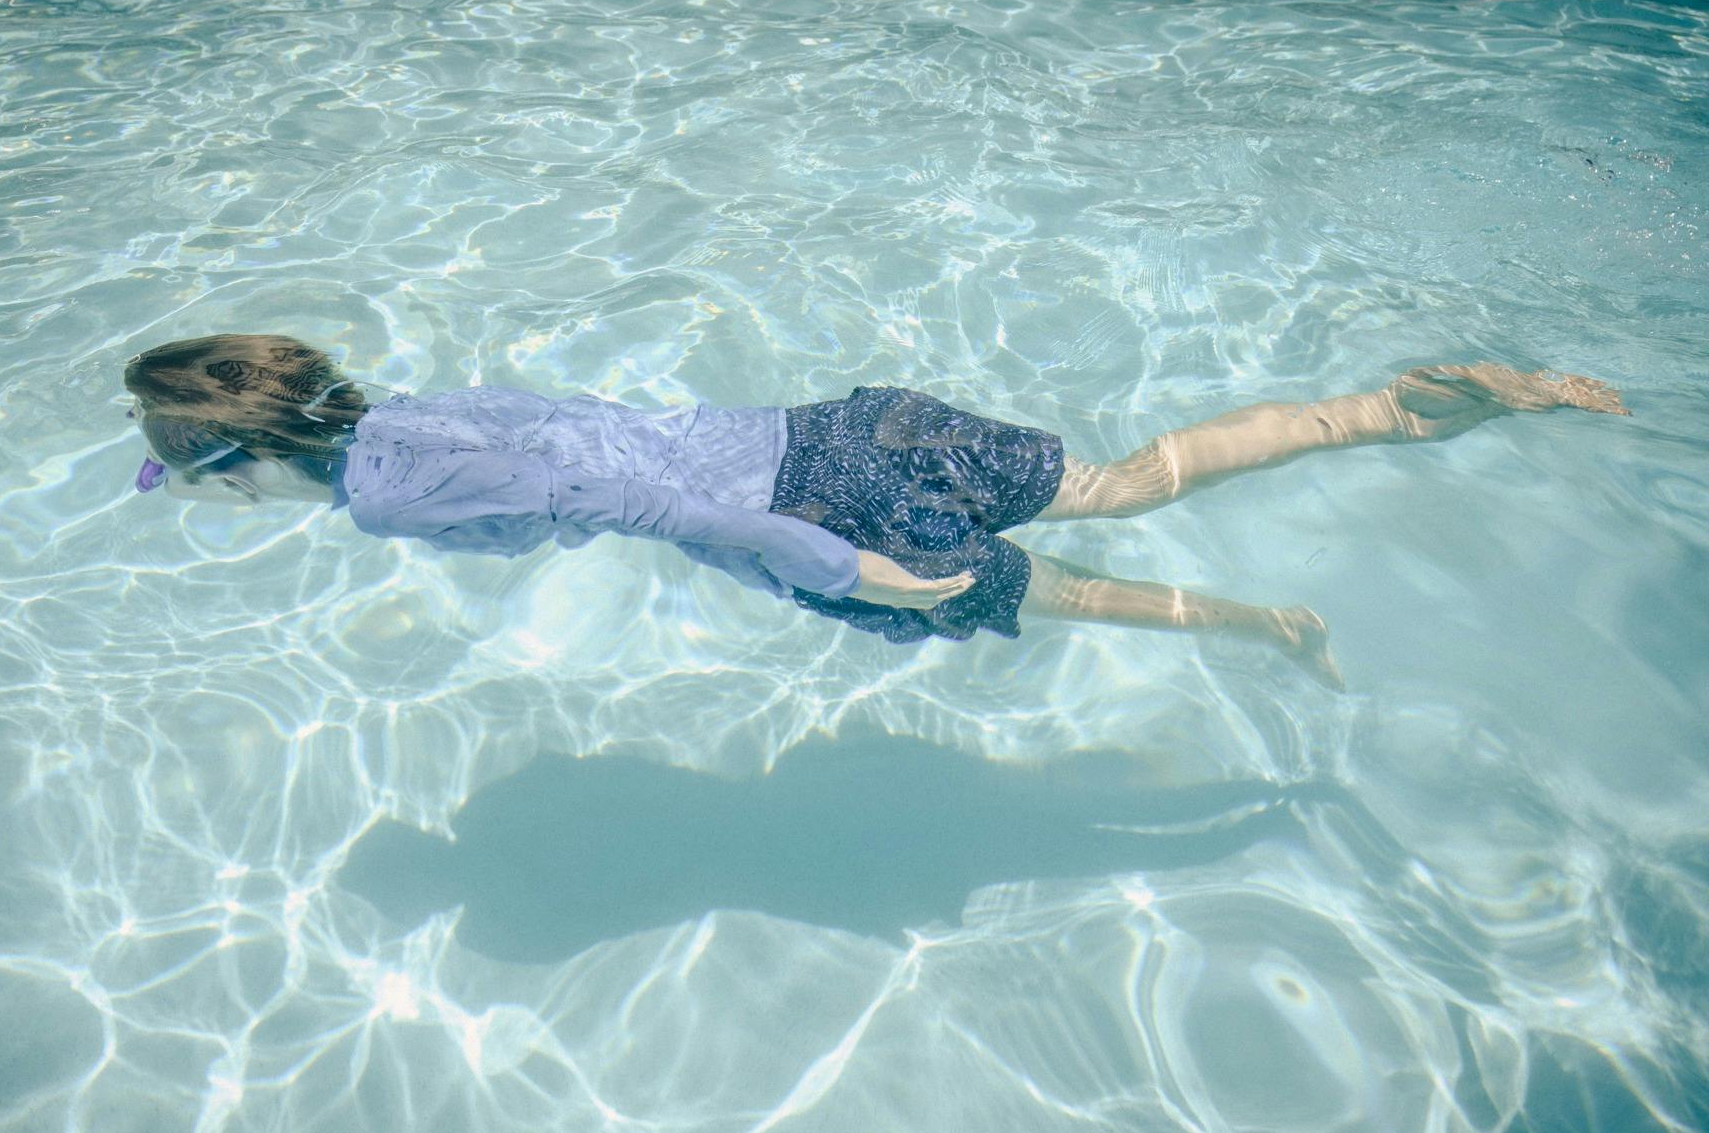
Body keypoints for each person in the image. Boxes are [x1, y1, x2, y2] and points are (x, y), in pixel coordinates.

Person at [122, 333, 1628, 687]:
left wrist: (830, 562)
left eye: (180, 476)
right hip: (845, 421)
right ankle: (1389, 406)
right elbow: (610, 444)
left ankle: (1267, 626)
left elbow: (634, 501)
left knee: (1053, 595)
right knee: (1123, 482)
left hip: (815, 505)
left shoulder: (384, 499)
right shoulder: (396, 408)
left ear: (227, 463)